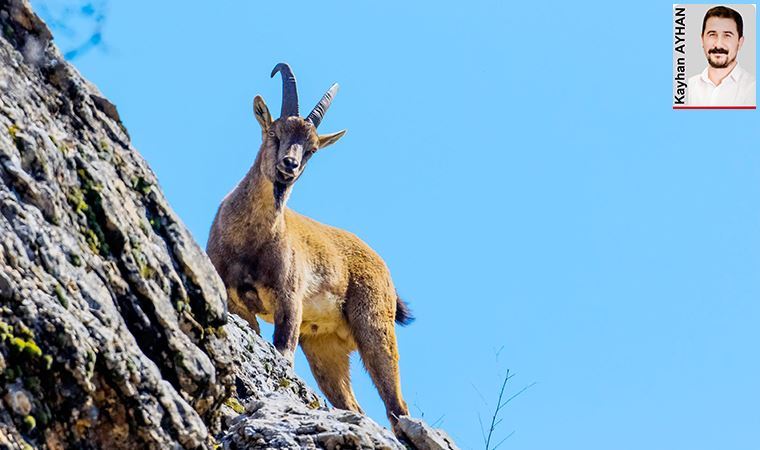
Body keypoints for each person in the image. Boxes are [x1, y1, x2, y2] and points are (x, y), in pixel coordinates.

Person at [688, 6, 756, 106]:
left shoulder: (754, 90)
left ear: (740, 42)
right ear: (702, 40)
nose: (718, 44)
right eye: (712, 34)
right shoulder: (686, 88)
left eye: (727, 35)